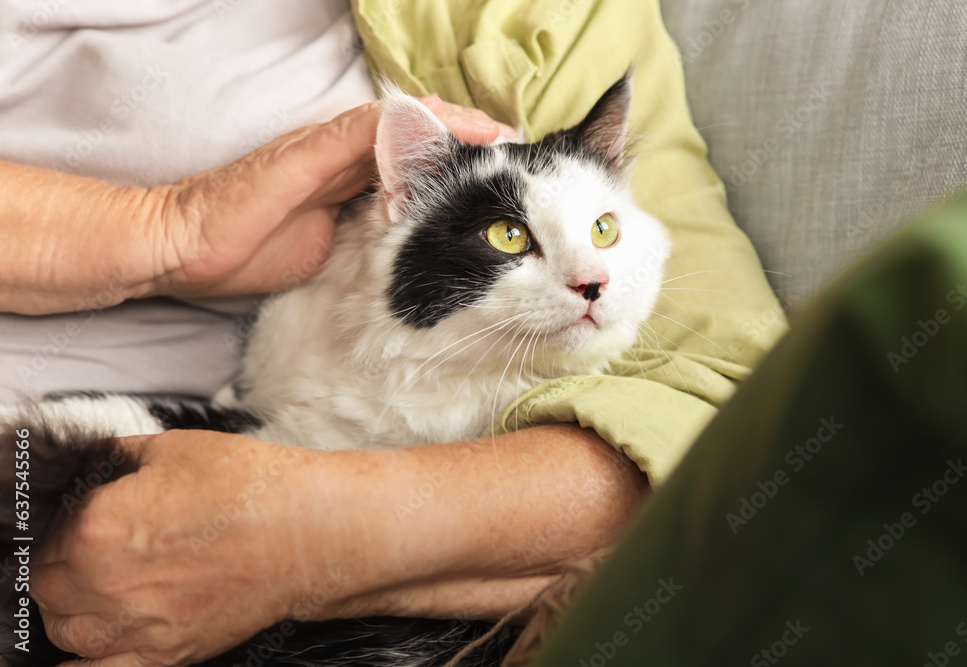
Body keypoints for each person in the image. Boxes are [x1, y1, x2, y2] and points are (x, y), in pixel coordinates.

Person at [1, 0, 785, 665]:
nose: (589, 277)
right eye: (516, 239)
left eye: (606, 232)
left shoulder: (550, 20)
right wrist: (164, 232)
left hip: (234, 478)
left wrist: (307, 539)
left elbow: (741, 419)